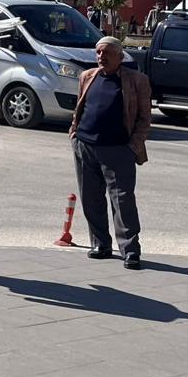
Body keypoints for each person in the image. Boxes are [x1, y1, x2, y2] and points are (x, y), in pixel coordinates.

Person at [70, 36, 152, 270]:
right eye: (98, 53)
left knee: (123, 201)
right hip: (85, 146)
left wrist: (132, 147)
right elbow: (80, 107)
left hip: (119, 150)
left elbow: (145, 119)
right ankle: (100, 244)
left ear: (120, 56)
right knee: (90, 198)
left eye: (106, 53)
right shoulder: (88, 76)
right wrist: (74, 134)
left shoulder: (137, 80)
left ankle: (130, 250)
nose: (100, 57)